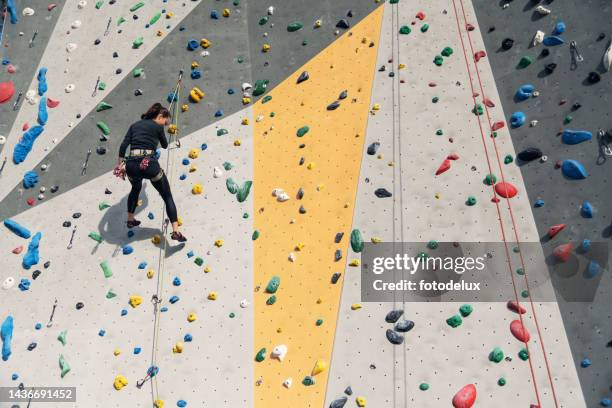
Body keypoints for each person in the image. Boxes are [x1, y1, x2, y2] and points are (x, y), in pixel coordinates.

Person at [114, 102, 187, 242]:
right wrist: (167, 132)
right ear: (160, 116)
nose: (165, 124)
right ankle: (176, 231)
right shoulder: (158, 127)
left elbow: (123, 146)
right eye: (165, 122)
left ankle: (130, 219)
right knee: (167, 196)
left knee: (135, 188)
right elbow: (165, 145)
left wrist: (120, 166)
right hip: (148, 164)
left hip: (132, 165)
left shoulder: (134, 126)